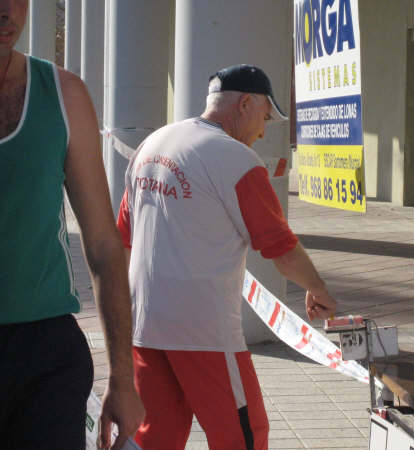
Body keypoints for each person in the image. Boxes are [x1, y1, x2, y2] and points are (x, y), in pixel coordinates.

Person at [116, 64, 337, 449]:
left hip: (146, 324)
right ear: (245, 104)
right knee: (243, 434)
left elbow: (123, 239)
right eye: (265, 117)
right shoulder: (236, 160)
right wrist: (317, 287)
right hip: (205, 332)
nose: (264, 131)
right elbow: (279, 247)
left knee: (155, 437)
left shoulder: (152, 146)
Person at [0, 1, 144, 449]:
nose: (7, 10)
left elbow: (102, 243)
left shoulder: (63, 95)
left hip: (44, 351)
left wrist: (122, 377)